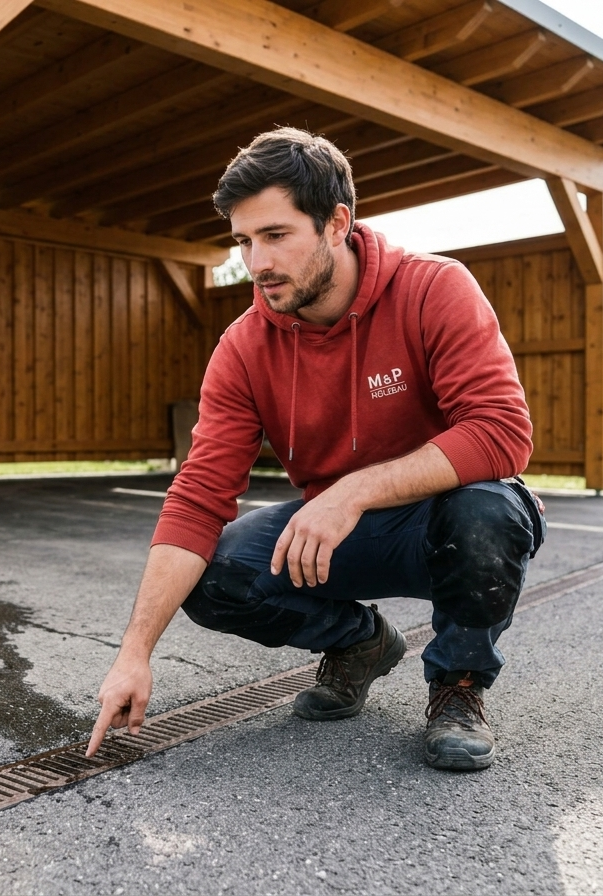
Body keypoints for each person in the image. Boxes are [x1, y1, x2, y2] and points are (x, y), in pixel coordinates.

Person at [85, 127, 545, 771]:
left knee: (489, 512)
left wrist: (352, 492)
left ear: (336, 223)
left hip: (440, 519)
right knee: (216, 573)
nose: (257, 262)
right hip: (336, 537)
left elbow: (501, 431)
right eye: (244, 241)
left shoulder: (435, 288)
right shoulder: (244, 347)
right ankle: (361, 643)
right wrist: (135, 652)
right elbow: (198, 495)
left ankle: (458, 687)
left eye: (276, 235)